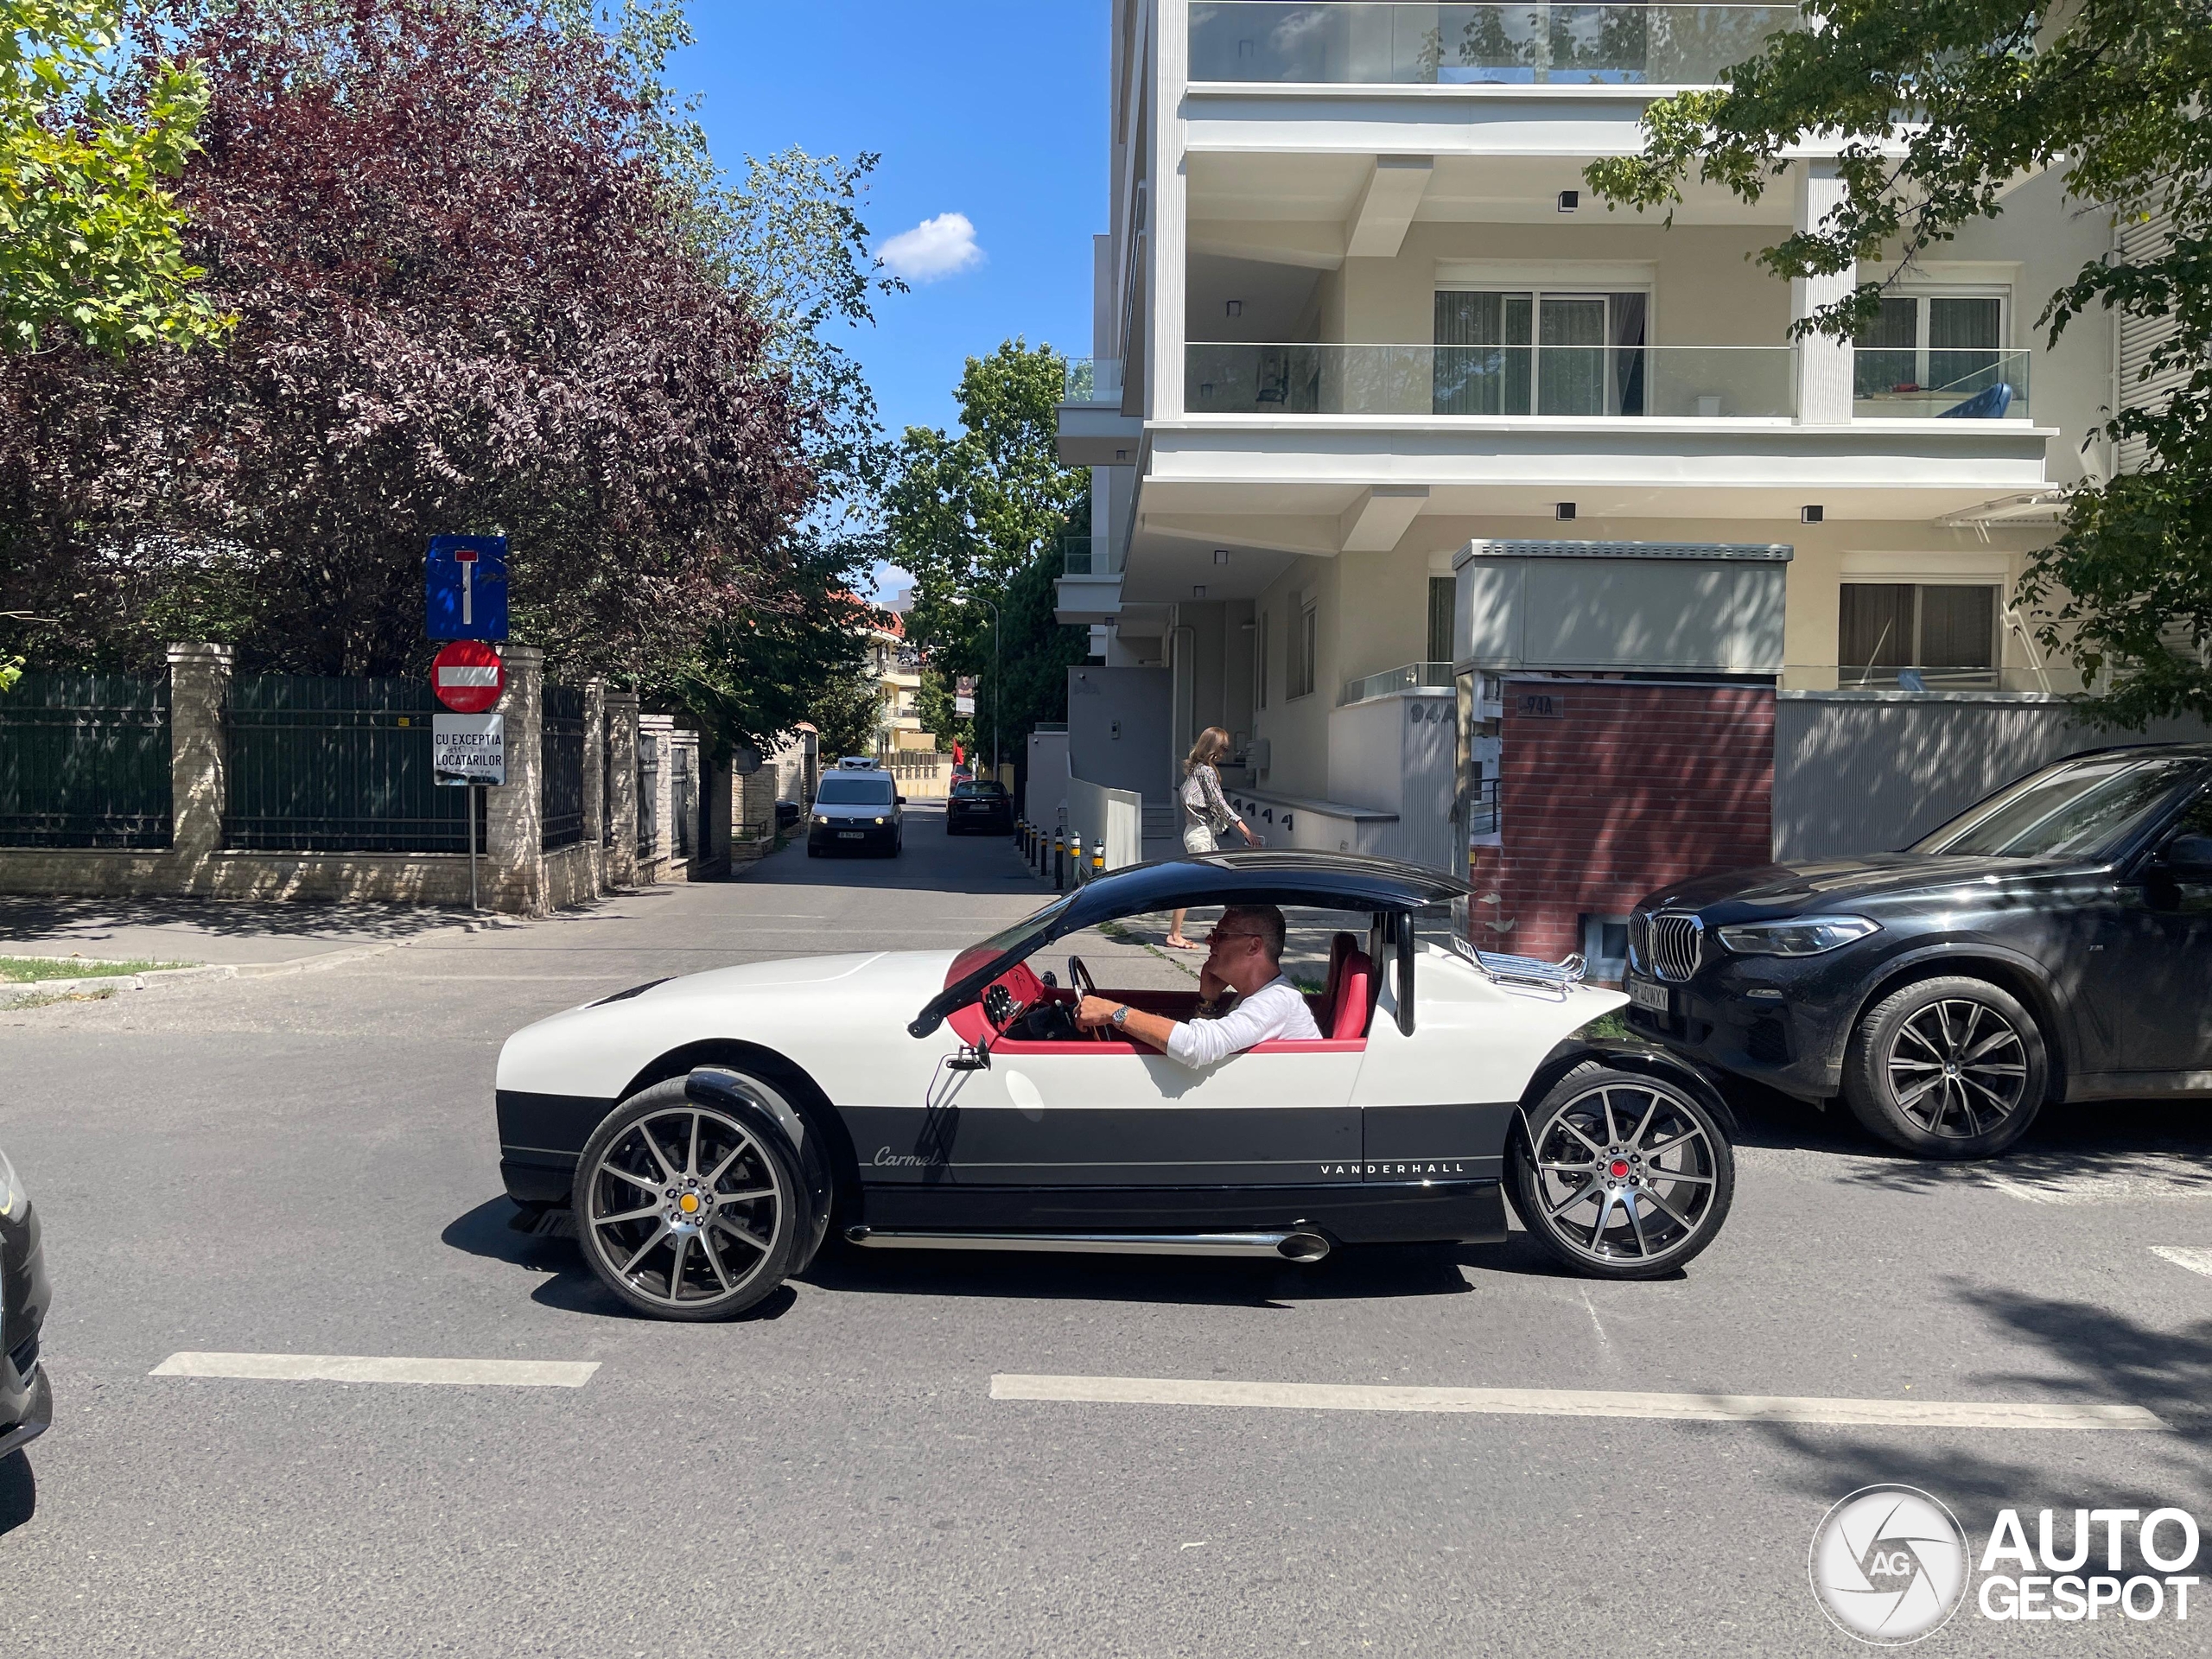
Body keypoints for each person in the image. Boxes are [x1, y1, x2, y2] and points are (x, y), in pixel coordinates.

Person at [1075, 903, 1319, 1067]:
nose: (1209, 940)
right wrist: (1208, 999)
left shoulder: (1276, 1000)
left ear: (1254, 946)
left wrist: (1114, 1012)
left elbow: (1196, 1047)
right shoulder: (1254, 996)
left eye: (1221, 935)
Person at [1165, 726, 1258, 950]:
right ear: (1212, 749)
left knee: (1219, 880)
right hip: (1200, 835)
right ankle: (1177, 935)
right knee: (1210, 883)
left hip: (1198, 833)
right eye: (1223, 748)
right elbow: (1220, 803)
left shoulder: (1196, 769)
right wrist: (1245, 830)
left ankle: (1234, 930)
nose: (1225, 753)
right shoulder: (1205, 771)